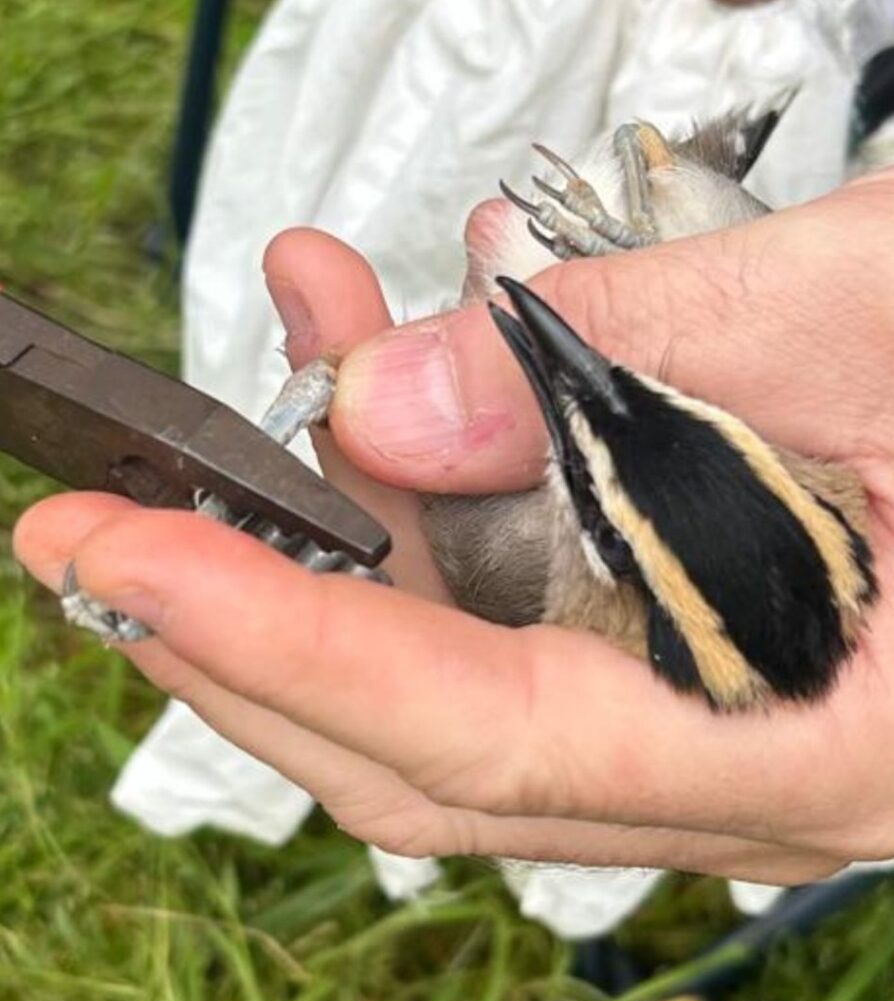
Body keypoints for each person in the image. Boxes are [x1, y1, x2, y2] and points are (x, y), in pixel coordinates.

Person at [15, 162, 894, 887]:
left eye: (599, 510)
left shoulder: (529, 590)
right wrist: (644, 258)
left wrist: (262, 501)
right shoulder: (821, 433)